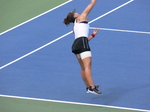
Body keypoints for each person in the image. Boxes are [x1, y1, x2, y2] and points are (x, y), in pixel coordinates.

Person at [63, 0, 102, 94]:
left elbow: (83, 38)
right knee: (88, 66)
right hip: (82, 43)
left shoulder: (74, 26)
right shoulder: (82, 17)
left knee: (84, 68)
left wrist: (93, 35)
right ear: (75, 16)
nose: (76, 12)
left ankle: (88, 87)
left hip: (76, 45)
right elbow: (92, 4)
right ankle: (92, 87)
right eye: (74, 13)